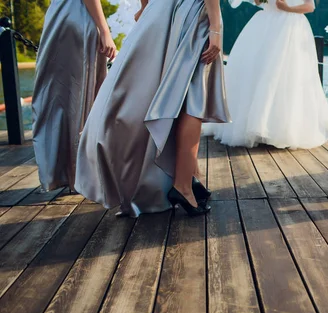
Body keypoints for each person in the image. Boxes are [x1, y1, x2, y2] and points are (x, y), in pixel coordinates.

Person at [75, 0, 229, 217]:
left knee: (150, 94)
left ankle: (190, 178)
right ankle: (183, 185)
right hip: (190, 12)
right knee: (193, 96)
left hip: (157, 13)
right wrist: (215, 27)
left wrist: (146, 7)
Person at [204, 0, 328, 149]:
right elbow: (258, 2)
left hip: (292, 27)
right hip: (266, 25)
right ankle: (255, 128)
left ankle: (280, 129)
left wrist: (287, 8)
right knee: (260, 74)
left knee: (286, 76)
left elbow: (309, 7)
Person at [32, 0, 116, 192]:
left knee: (57, 97)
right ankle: (78, 175)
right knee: (80, 100)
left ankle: (62, 173)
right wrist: (104, 30)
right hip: (80, 18)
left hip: (58, 17)